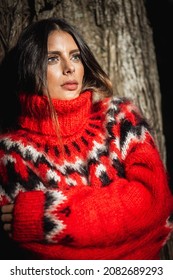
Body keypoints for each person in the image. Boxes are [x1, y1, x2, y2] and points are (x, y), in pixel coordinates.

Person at [0, 17, 173, 260]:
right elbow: (51, 261)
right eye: (52, 58)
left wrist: (49, 215)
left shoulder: (119, 119)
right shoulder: (11, 153)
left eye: (75, 56)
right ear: (30, 67)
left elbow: (155, 200)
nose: (69, 68)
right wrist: (134, 229)